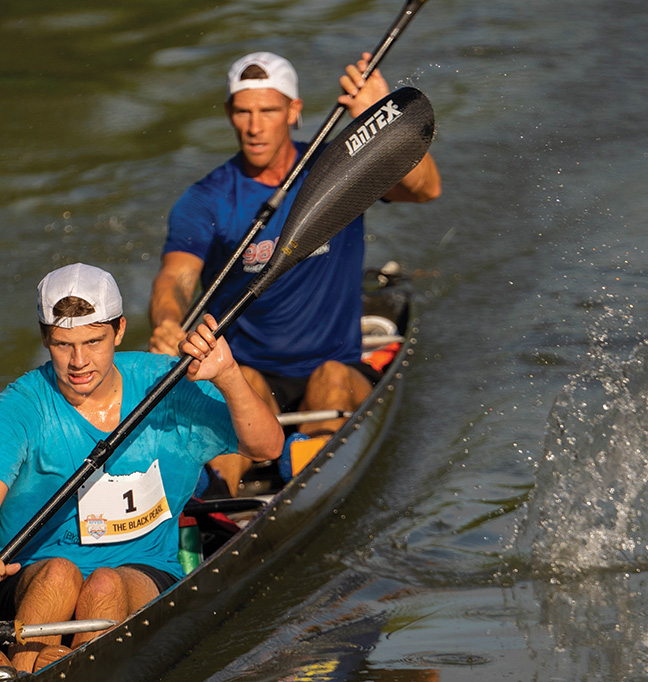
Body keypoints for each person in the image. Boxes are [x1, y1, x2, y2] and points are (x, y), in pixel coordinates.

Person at [0, 263, 283, 673]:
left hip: (142, 572)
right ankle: (37, 666)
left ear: (120, 331)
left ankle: (24, 665)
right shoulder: (22, 405)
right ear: (44, 338)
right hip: (30, 581)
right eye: (62, 345)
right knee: (59, 574)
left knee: (104, 581)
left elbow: (267, 447)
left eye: (93, 341)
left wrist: (229, 375)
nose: (78, 361)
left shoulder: (166, 385)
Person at [148, 51, 441, 493]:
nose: (255, 126)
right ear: (230, 114)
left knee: (330, 379)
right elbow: (176, 277)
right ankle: (211, 500)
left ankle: (306, 467)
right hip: (252, 375)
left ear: (294, 111)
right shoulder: (207, 199)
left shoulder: (338, 169)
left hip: (335, 364)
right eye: (243, 112)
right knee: (238, 385)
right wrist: (168, 320)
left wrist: (383, 122)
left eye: (268, 111)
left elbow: (426, 190)